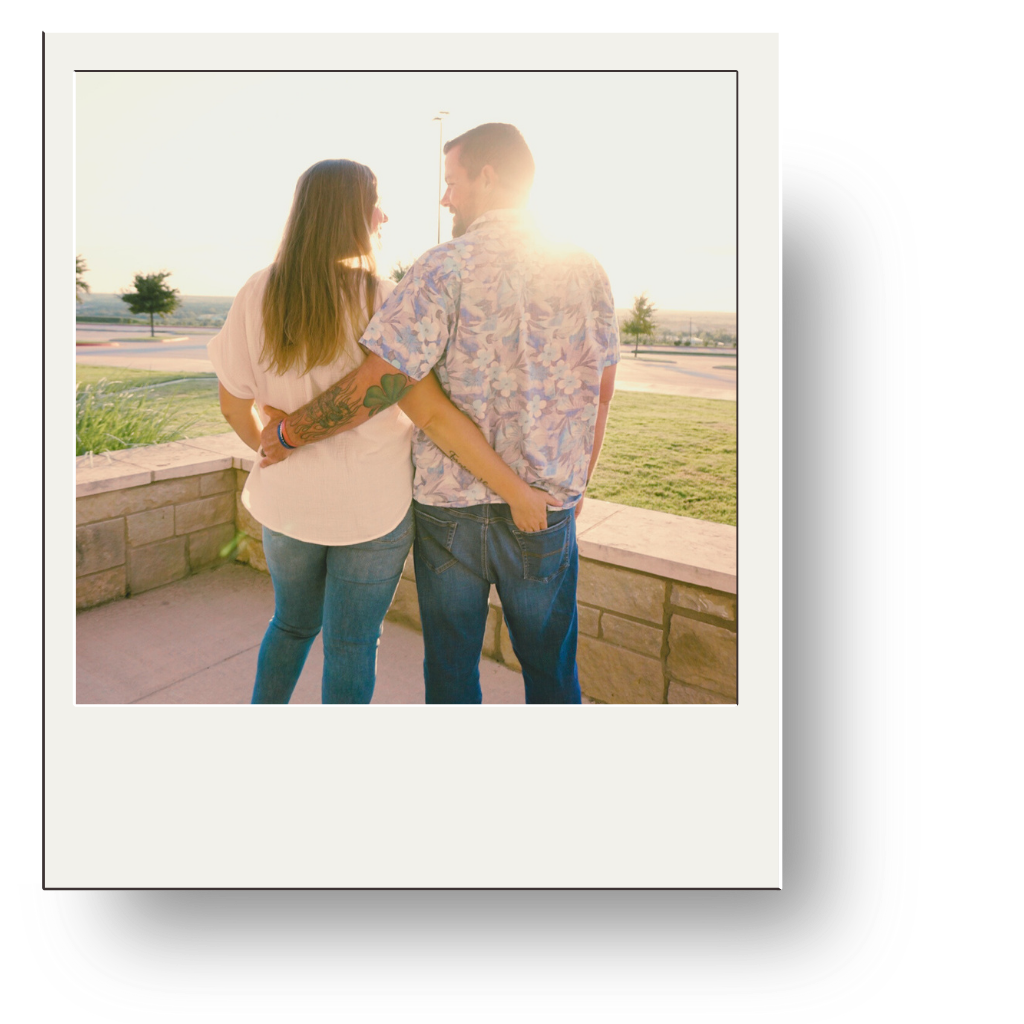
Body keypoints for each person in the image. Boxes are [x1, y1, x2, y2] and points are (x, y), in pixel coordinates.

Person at [259, 125, 620, 705]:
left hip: (450, 515)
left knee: (452, 675)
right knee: (553, 673)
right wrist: (576, 489)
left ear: (487, 175)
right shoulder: (586, 268)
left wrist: (287, 432)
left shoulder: (442, 267)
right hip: (547, 509)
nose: (445, 197)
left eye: (451, 181)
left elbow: (381, 381)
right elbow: (602, 389)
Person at [208, 157, 553, 705]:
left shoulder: (258, 291)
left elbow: (233, 406)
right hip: (373, 508)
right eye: (375, 203)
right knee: (352, 643)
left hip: (287, 503)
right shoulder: (388, 298)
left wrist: (270, 450)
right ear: (350, 214)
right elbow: (430, 412)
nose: (383, 214)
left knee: (291, 625)